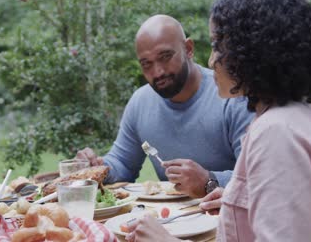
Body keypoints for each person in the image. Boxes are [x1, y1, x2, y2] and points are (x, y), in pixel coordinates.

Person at [125, 0, 311, 241]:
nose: (211, 60)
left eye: (217, 46)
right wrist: (239, 201)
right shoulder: (291, 118)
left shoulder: (277, 135)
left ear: (255, 51)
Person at [77, 14, 253, 198]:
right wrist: (96, 169)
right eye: (146, 64)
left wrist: (209, 180)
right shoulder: (140, 102)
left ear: (189, 49)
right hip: (169, 219)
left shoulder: (231, 96)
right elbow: (122, 163)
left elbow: (256, 177)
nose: (158, 72)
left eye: (165, 57)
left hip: (227, 220)